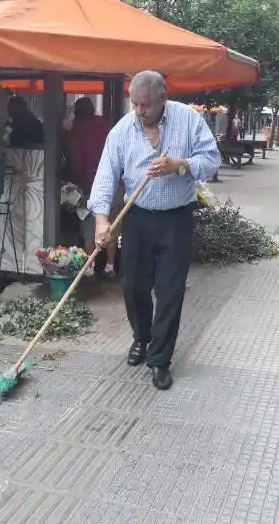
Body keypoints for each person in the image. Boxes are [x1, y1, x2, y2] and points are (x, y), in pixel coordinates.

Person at [89, 70, 221, 391]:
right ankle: (141, 337)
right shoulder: (123, 129)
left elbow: (212, 158)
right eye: (134, 103)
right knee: (132, 284)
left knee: (169, 291)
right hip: (137, 219)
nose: (139, 110)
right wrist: (102, 220)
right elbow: (106, 174)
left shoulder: (188, 120)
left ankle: (160, 359)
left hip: (176, 219)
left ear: (164, 98)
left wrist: (180, 165)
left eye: (145, 104)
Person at [68, 97, 120, 280]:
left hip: (91, 186)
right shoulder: (105, 126)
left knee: (91, 230)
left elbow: (77, 162)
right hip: (114, 185)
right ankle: (110, 266)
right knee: (110, 228)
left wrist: (74, 179)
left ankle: (89, 269)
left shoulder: (78, 130)